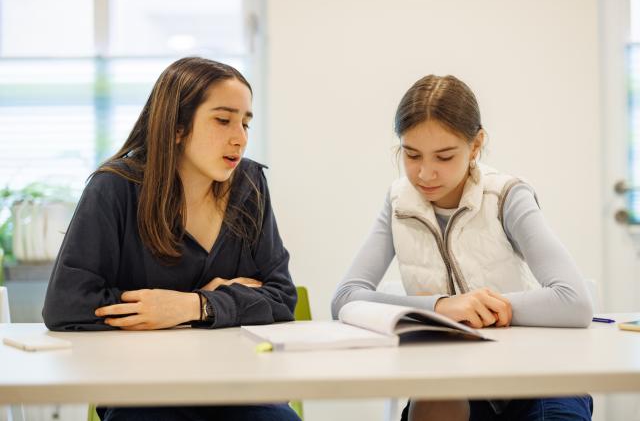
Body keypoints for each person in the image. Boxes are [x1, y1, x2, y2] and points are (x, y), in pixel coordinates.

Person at [43, 57, 300, 421]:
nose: (240, 137)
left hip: (240, 385)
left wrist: (193, 306)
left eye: (245, 123)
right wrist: (235, 299)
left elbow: (281, 297)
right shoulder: (114, 188)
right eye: (223, 119)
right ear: (177, 127)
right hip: (144, 390)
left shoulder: (250, 185)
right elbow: (67, 304)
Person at [331, 74, 594, 421]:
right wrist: (441, 308)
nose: (425, 173)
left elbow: (574, 302)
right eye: (411, 155)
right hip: (452, 383)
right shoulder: (398, 202)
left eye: (444, 156)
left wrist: (477, 309)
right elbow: (345, 298)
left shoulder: (507, 196)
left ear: (475, 145)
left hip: (537, 379)